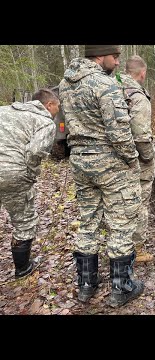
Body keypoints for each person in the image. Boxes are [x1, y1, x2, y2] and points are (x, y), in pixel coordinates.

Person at [58, 45, 144, 308]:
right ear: (100, 55)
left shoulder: (65, 83)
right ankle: (121, 288)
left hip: (81, 162)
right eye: (115, 57)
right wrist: (132, 160)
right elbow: (119, 131)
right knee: (120, 222)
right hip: (110, 164)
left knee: (88, 220)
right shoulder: (103, 84)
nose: (117, 63)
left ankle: (86, 285)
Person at [0, 88, 59, 279]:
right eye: (58, 105)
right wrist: (30, 174)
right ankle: (23, 268)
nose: (58, 110)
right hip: (13, 173)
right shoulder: (45, 122)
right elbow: (35, 152)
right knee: (23, 221)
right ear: (49, 105)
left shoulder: (5, 111)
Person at [116, 55, 155, 263]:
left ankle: (118, 244)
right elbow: (141, 136)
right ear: (142, 73)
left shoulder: (112, 88)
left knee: (117, 202)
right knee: (139, 203)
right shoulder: (137, 96)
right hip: (135, 161)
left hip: (113, 160)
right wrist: (150, 157)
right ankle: (137, 248)